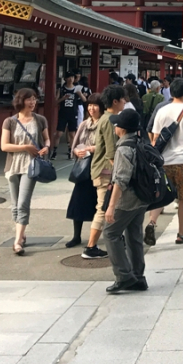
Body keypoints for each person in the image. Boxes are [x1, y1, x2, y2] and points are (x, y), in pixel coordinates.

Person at [145, 78, 183, 246]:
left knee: (160, 196)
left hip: (163, 162)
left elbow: (156, 137)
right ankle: (181, 234)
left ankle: (152, 223)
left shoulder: (161, 111)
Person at [103, 108, 150, 293]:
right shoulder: (140, 141)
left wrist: (111, 207)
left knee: (110, 233)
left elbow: (121, 180)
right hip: (142, 198)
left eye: (116, 124)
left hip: (128, 200)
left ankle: (123, 276)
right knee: (134, 235)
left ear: (121, 128)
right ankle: (138, 276)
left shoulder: (124, 148)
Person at [1, 88, 50, 255]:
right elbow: (4, 146)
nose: (33, 102)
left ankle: (17, 241)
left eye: (34, 99)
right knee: (15, 206)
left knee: (22, 203)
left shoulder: (40, 119)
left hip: (31, 166)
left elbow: (47, 139)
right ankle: (21, 235)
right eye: (29, 99)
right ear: (21, 101)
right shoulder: (10, 121)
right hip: (13, 165)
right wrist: (25, 147)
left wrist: (46, 147)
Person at [66, 94, 107, 257]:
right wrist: (78, 150)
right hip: (84, 167)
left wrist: (91, 149)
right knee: (79, 200)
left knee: (103, 203)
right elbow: (74, 146)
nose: (91, 108)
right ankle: (76, 235)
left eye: (95, 105)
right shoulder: (84, 124)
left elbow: (108, 146)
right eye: (89, 105)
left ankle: (107, 235)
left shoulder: (106, 123)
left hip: (100, 167)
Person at [56, 71, 84, 159]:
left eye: (72, 77)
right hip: (63, 113)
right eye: (69, 77)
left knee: (72, 134)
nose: (71, 79)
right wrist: (62, 98)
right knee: (59, 133)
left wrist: (80, 94)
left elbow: (84, 99)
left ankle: (70, 151)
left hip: (73, 113)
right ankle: (54, 150)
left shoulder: (77, 89)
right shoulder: (61, 89)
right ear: (65, 79)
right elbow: (55, 102)